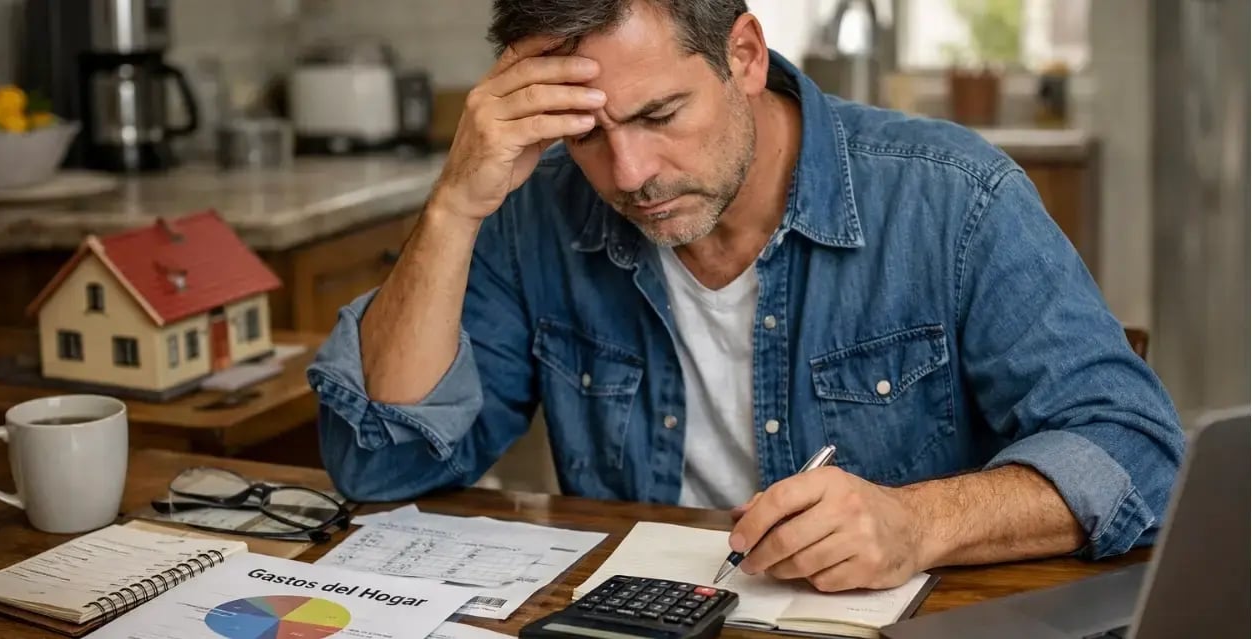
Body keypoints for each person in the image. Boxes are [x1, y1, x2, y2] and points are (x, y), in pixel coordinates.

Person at [307, 0, 1185, 593]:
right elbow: (386, 465)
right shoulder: (533, 213)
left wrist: (917, 524)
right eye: (585, 136)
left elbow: (1138, 451)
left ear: (744, 55)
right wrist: (457, 201)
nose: (630, 174)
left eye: (658, 116)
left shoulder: (953, 196)